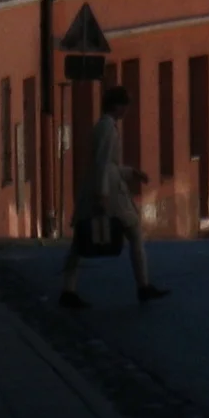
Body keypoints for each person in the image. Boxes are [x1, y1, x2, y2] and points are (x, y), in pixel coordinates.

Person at [59, 85, 169, 308]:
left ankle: (68, 290)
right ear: (117, 106)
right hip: (108, 193)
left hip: (104, 189)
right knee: (134, 232)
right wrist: (102, 194)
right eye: (125, 104)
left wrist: (131, 173)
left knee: (80, 242)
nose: (127, 110)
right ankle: (143, 286)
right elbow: (103, 163)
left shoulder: (105, 126)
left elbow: (108, 165)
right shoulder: (107, 128)